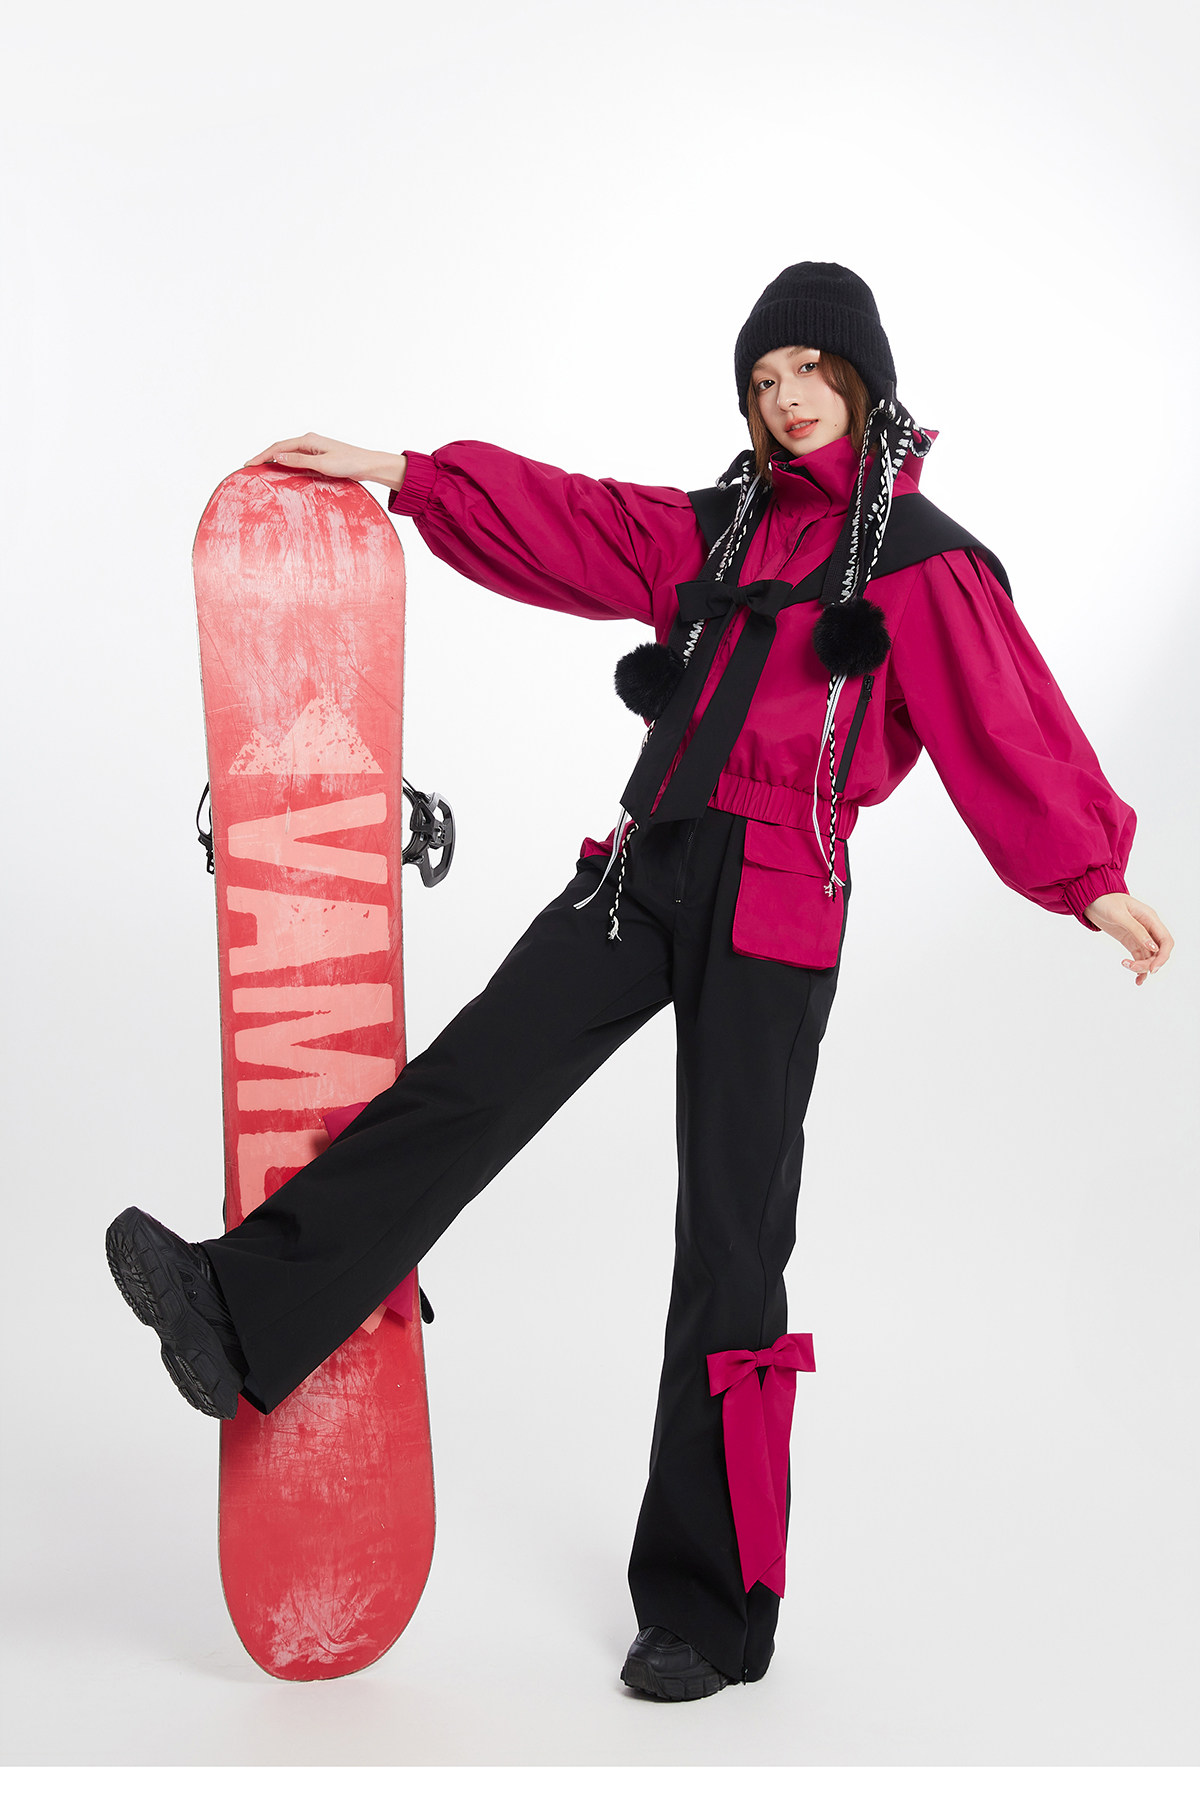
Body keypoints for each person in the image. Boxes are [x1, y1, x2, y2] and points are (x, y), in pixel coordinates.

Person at [106, 261, 1173, 1703]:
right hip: (642, 870)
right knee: (468, 1084)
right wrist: (409, 476)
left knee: (730, 1247)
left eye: (810, 371)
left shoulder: (924, 560)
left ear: (863, 376)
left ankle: (712, 1611)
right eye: (763, 380)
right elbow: (579, 521)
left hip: (778, 905)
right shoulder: (719, 528)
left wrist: (1090, 876)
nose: (787, 399)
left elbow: (1007, 719)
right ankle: (239, 1314)